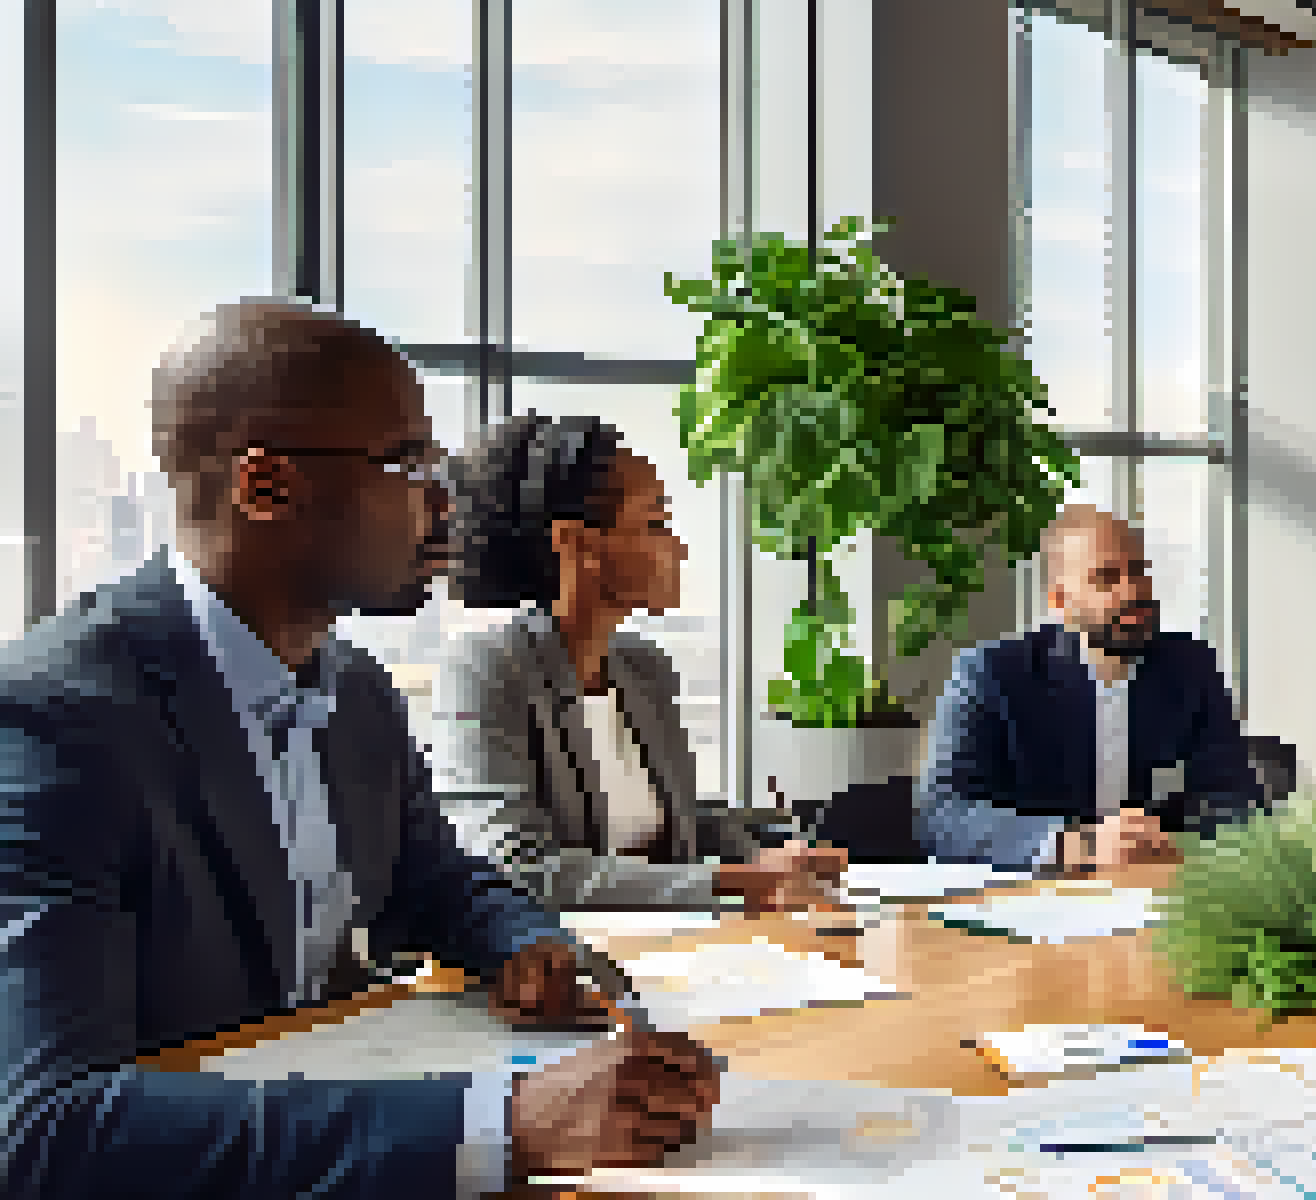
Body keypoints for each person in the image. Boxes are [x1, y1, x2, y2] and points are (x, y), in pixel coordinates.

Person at [0, 299, 718, 1198]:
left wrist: (525, 941)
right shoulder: (54, 721)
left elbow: (434, 879)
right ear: (266, 488)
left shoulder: (356, 689)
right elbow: (46, 1129)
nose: (445, 503)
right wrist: (503, 1124)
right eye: (410, 463)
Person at [439, 413, 845, 911]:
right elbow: (519, 868)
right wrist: (730, 881)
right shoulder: (487, 668)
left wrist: (780, 855)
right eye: (654, 523)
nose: (678, 547)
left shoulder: (644, 668)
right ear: (578, 544)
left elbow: (684, 823)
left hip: (678, 953)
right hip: (562, 961)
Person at [919, 505, 1262, 871]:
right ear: (1061, 602)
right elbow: (943, 815)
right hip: (1032, 897)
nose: (1132, 590)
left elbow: (1233, 799)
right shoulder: (990, 673)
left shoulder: (1190, 666)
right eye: (1106, 578)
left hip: (1156, 893)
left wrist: (1172, 843)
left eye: (1138, 571)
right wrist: (1079, 845)